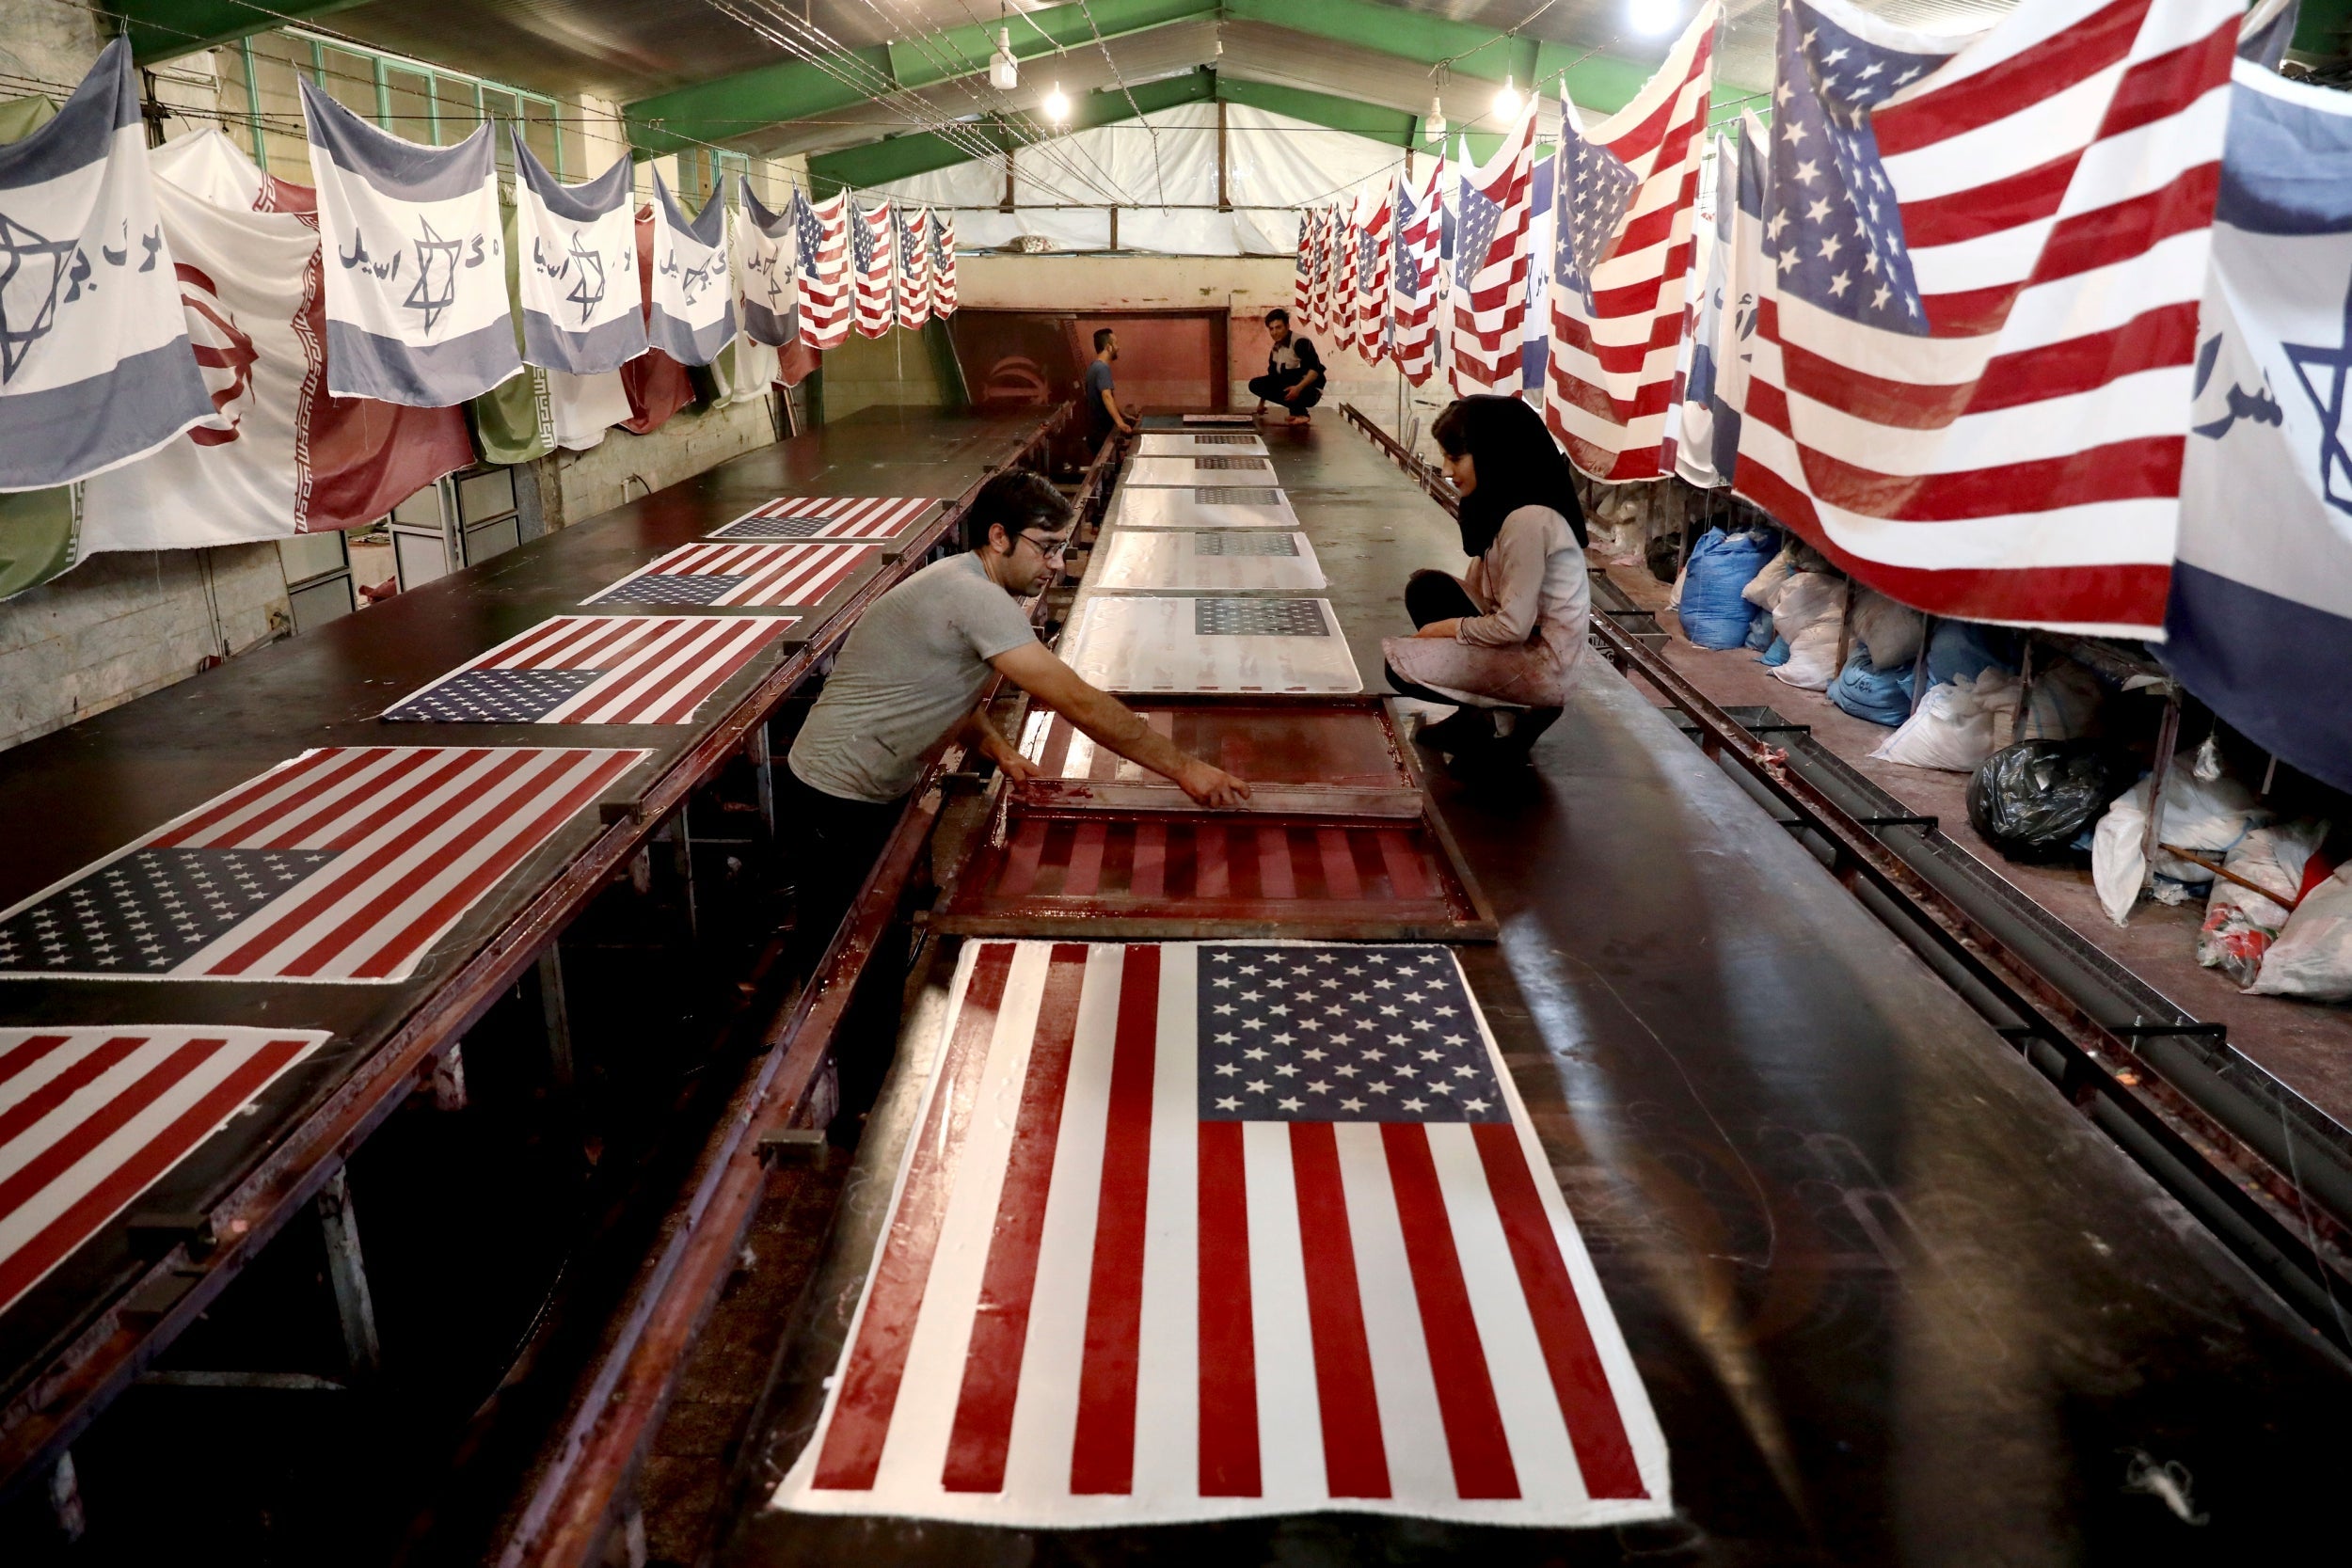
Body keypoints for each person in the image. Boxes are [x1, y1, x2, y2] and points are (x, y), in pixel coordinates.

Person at [786, 470, 1248, 1117]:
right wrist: (1183, 769)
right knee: (852, 963)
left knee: (877, 941)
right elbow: (1077, 700)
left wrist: (999, 749)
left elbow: (937, 685)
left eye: (1061, 548)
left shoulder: (963, 587)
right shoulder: (977, 598)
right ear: (998, 536)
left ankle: (858, 1088)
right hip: (837, 797)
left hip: (868, 783)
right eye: (1045, 546)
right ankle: (848, 1111)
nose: (1055, 564)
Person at [1382, 394, 1591, 766]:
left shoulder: (1529, 520)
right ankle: (1475, 719)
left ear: (1494, 453)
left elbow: (1512, 625)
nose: (1447, 470)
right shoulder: (1502, 505)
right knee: (1428, 589)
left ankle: (1528, 709)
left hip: (1545, 662)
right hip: (1528, 639)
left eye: (1456, 457)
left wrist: (1442, 630)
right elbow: (1484, 589)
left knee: (1401, 666)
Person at [1248, 308, 1324, 424]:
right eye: (1271, 329)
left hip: (1310, 391)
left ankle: (1302, 414)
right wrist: (1261, 403)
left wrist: (1298, 389)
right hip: (1292, 389)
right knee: (1255, 384)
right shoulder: (1275, 349)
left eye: (1278, 327)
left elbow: (1315, 371)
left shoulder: (1300, 342)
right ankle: (1295, 413)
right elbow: (1272, 379)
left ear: (1287, 326)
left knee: (1289, 379)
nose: (1274, 332)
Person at [1083, 328, 1136, 447]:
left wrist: (1122, 414)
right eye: (1115, 343)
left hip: (1095, 432)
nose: (1118, 347)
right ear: (1108, 347)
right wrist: (1120, 423)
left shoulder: (1094, 367)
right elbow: (1106, 396)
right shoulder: (1102, 368)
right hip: (1101, 433)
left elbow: (1108, 397)